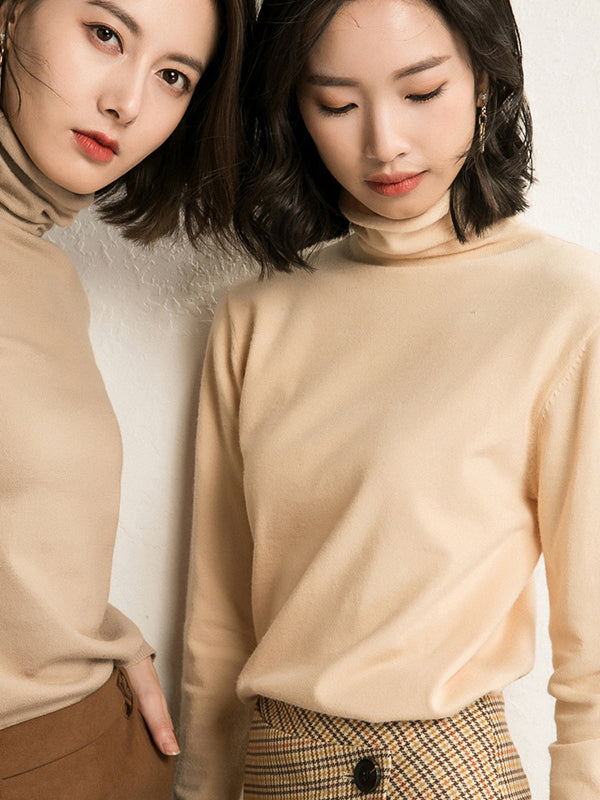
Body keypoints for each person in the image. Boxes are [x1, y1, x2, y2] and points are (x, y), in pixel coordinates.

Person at [177, 0, 600, 798]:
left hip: (450, 772)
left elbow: (595, 649)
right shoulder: (254, 316)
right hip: (274, 769)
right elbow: (218, 623)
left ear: (484, 82)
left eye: (422, 91)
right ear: (296, 111)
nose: (384, 143)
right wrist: (200, 787)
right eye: (337, 104)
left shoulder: (567, 305)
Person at [0, 0, 251, 796]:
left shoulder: (43, 271)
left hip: (99, 747)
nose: (129, 102)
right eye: (105, 34)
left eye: (173, 76)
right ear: (11, 13)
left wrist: (95, 636)